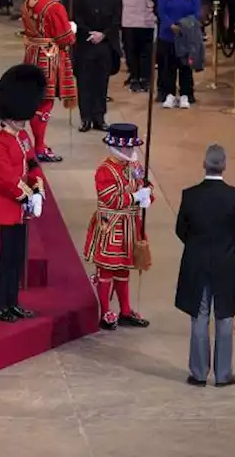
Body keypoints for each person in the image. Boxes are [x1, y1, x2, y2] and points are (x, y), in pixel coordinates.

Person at [174, 144, 235, 387]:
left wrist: (197, 247)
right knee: (225, 317)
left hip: (197, 262)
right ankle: (223, 374)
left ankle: (198, 373)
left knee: (199, 315)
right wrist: (229, 249)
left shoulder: (190, 195)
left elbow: (181, 230)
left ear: (204, 164)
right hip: (227, 264)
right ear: (224, 165)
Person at [0, 63, 47, 322]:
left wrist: (38, 189)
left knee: (16, 260)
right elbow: (7, 179)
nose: (23, 122)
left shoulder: (22, 136)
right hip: (1, 209)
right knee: (1, 263)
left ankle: (12, 302)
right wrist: (29, 196)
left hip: (19, 211)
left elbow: (32, 165)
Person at [84, 123, 154, 331]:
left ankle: (125, 310)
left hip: (130, 225)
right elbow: (110, 199)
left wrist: (147, 195)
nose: (131, 152)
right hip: (110, 225)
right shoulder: (104, 170)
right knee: (106, 270)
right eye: (127, 148)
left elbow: (144, 184)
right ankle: (105, 311)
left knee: (123, 269)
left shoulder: (134, 165)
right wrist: (135, 197)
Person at [21, 0, 75, 161]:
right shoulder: (54, 7)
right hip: (49, 58)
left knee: (35, 101)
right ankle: (40, 147)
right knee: (44, 104)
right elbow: (65, 38)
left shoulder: (29, 1)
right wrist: (72, 29)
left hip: (32, 54)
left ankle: (38, 144)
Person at [72, 0, 121, 132]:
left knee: (102, 82)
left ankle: (99, 117)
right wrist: (89, 33)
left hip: (105, 44)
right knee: (84, 82)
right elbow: (74, 15)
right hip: (85, 42)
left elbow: (116, 17)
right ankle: (85, 118)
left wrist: (104, 34)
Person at [156, 0, 204, 108]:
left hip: (186, 36)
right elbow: (161, 10)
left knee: (185, 67)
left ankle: (186, 94)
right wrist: (170, 25)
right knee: (167, 67)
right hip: (167, 35)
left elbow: (196, 13)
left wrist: (183, 25)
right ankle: (168, 94)